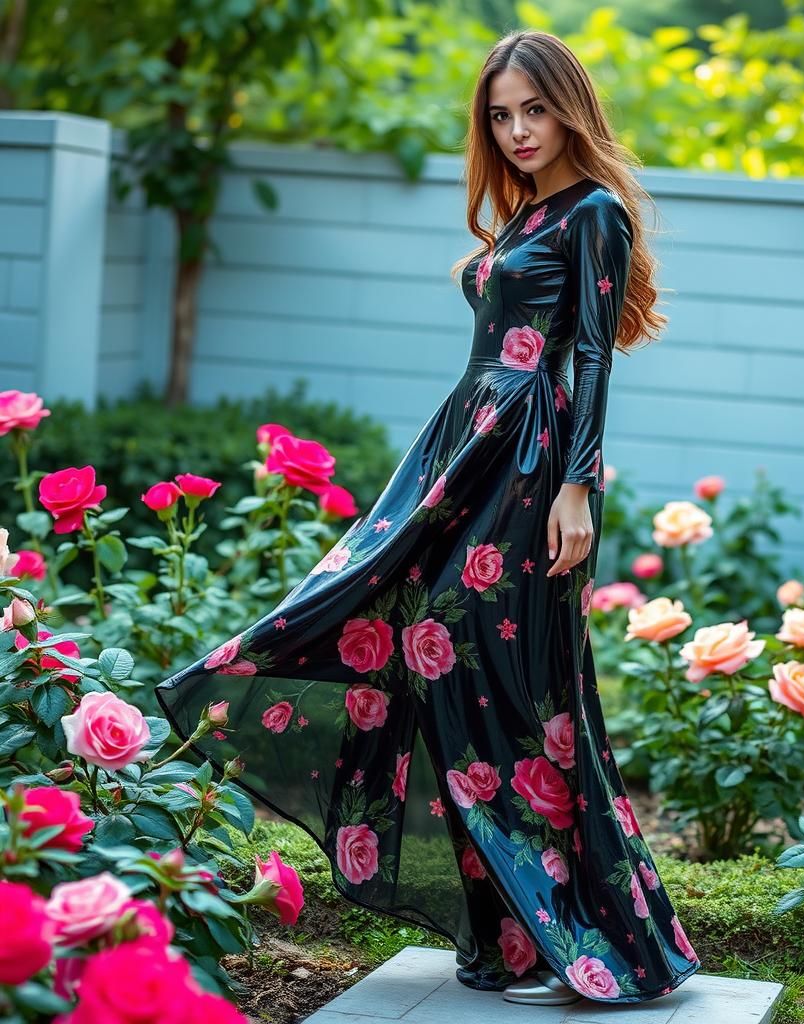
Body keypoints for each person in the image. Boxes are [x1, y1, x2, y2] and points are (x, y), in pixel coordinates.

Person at [155, 28, 700, 1008]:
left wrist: (577, 486)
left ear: (569, 106)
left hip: (532, 461)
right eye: (501, 114)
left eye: (535, 108)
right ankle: (510, 936)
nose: (519, 128)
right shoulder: (527, 212)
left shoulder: (595, 214)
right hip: (466, 448)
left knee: (474, 659)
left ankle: (577, 935)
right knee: (409, 634)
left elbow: (589, 356)